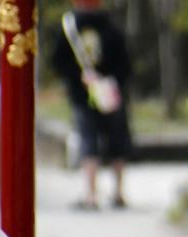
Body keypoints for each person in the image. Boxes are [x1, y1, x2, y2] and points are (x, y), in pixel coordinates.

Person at [52, 0, 132, 210]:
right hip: (110, 93)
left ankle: (91, 194)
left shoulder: (70, 27)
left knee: (88, 140)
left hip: (83, 95)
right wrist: (111, 80)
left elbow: (58, 61)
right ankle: (118, 192)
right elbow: (125, 63)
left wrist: (80, 78)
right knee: (116, 140)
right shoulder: (111, 27)